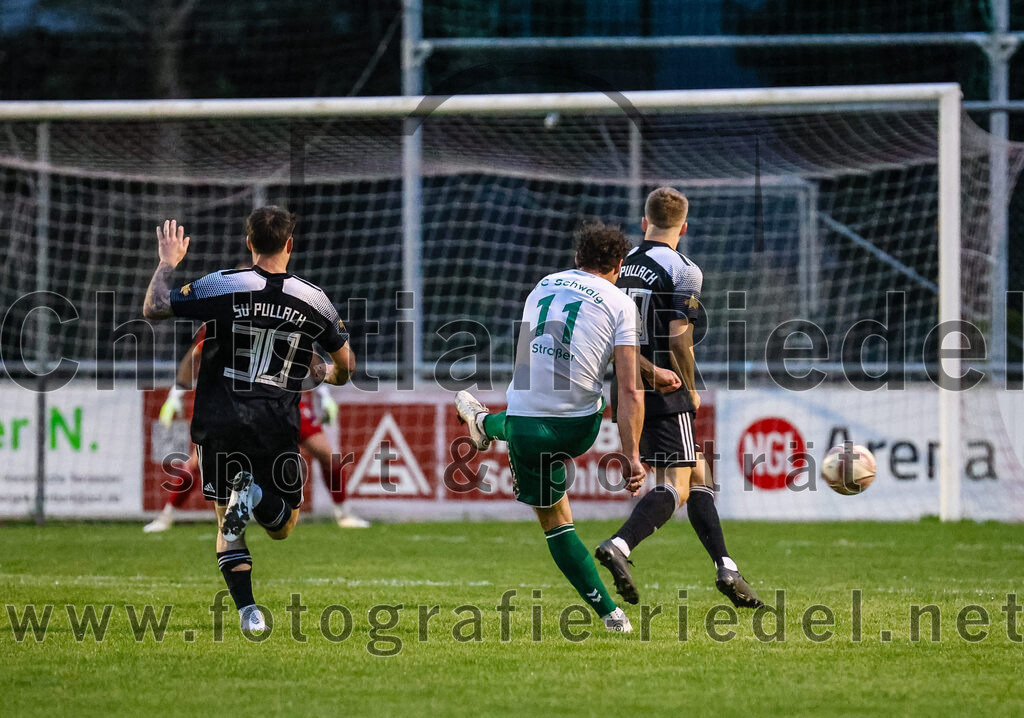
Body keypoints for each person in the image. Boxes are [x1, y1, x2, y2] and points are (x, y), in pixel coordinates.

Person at [142, 208, 355, 633]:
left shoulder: (221, 284)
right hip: (275, 422)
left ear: (249, 243)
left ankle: (249, 613)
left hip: (219, 420)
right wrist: (331, 374)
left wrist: (168, 262)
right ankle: (255, 494)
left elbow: (154, 308)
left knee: (226, 523)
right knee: (284, 526)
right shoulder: (314, 299)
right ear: (289, 245)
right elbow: (345, 364)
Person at [455, 221, 646, 633]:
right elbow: (629, 390)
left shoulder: (543, 284)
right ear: (619, 265)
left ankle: (613, 617)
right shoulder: (620, 303)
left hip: (524, 424)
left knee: (556, 525)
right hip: (579, 428)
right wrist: (631, 456)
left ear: (577, 258)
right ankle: (485, 422)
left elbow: (533, 358)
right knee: (589, 397)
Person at [595, 187, 764, 609]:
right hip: (664, 386)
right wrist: (689, 387)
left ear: (642, 222)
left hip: (627, 383)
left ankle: (726, 567)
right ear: (684, 228)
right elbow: (678, 338)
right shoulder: (684, 269)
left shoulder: (621, 265)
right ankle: (620, 544)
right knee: (678, 485)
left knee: (698, 471)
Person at [145, 321, 369, 532]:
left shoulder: (284, 312)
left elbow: (308, 356)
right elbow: (195, 355)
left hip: (287, 401)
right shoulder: (219, 316)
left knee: (328, 456)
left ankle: (343, 514)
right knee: (200, 460)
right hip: (242, 402)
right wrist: (175, 396)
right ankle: (168, 515)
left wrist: (323, 394)